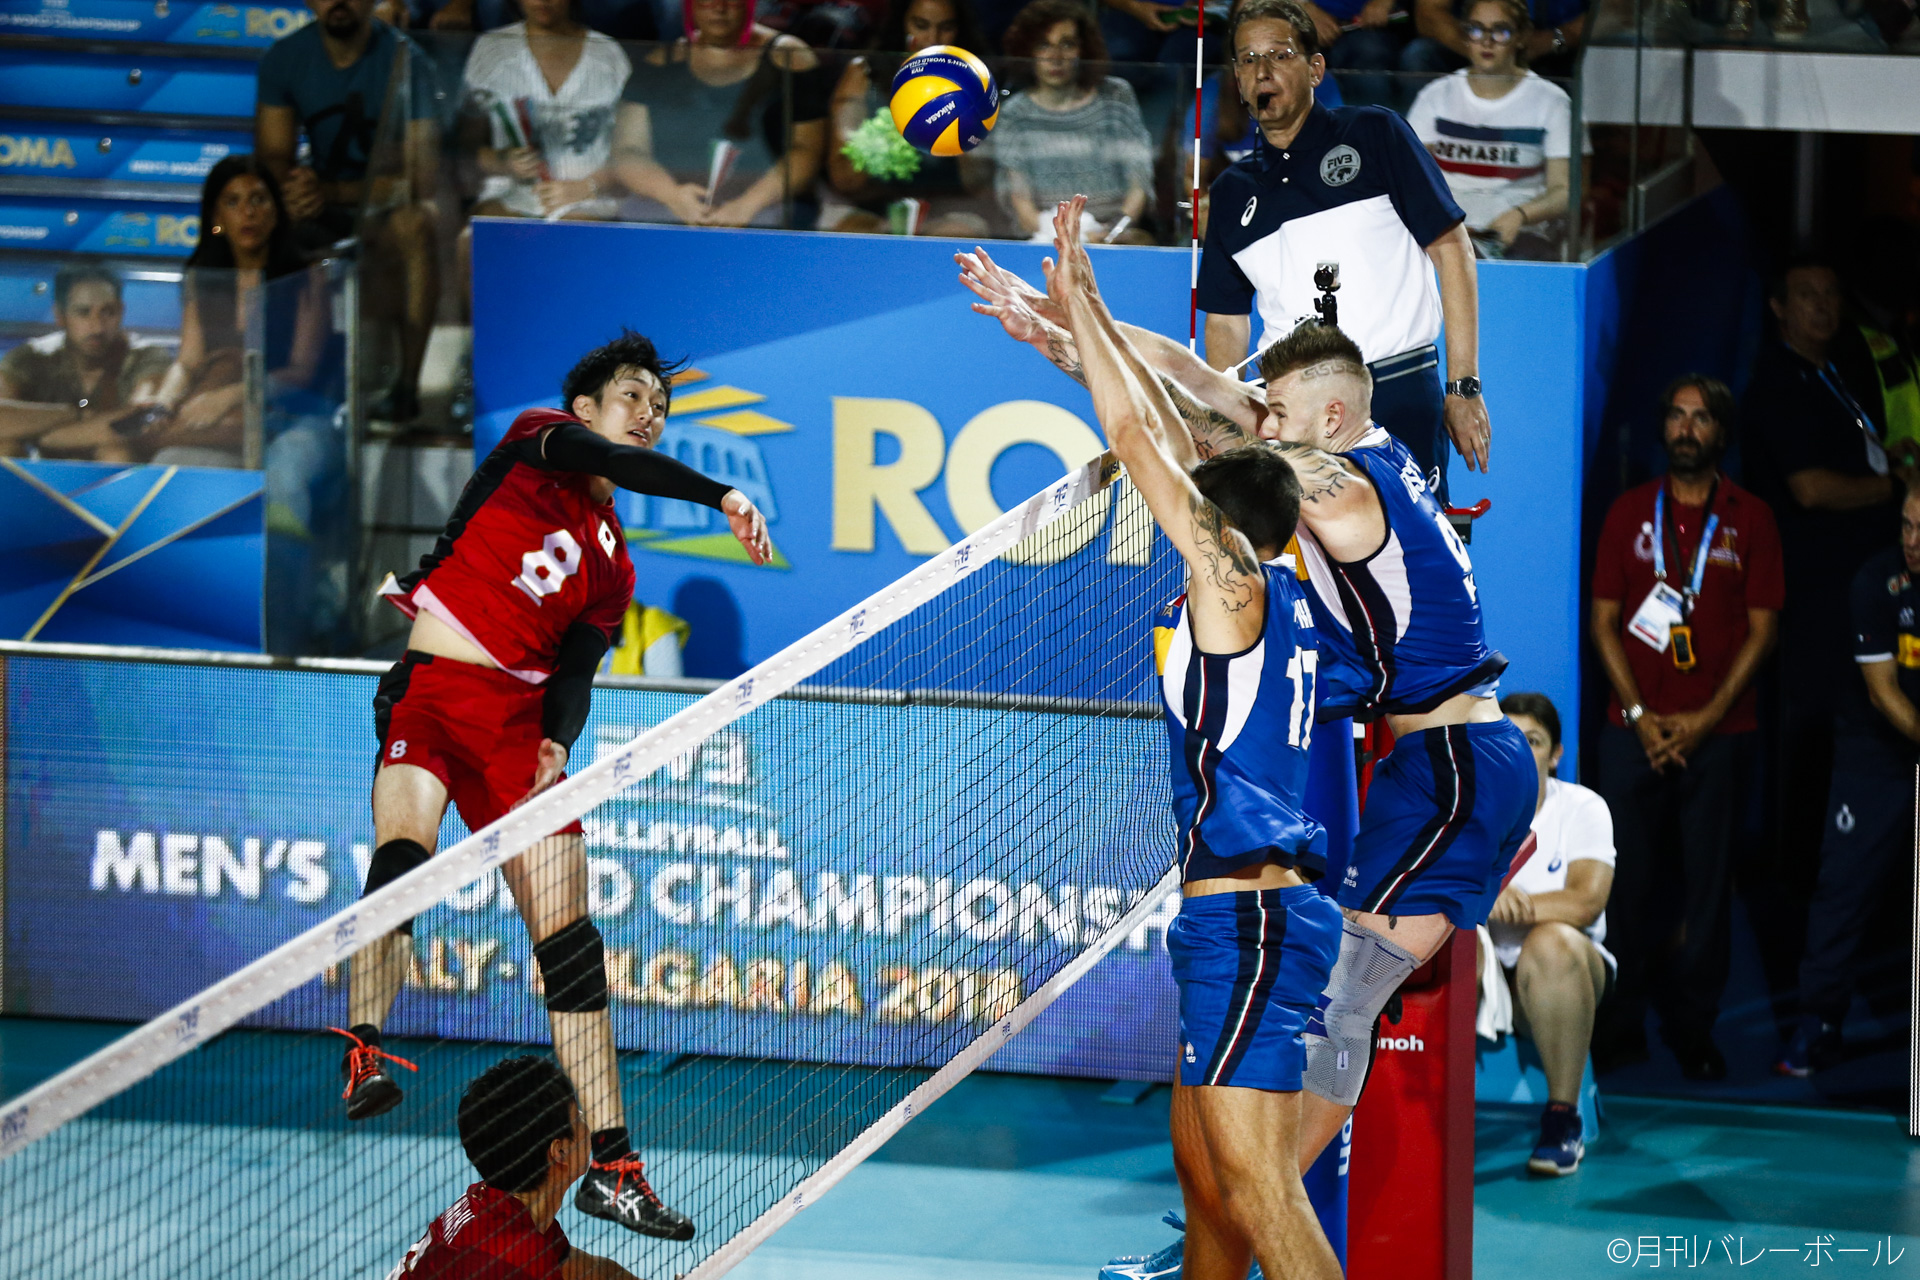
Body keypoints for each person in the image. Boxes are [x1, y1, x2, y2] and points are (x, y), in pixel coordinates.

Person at [960, 224, 1533, 1187]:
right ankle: (1249, 1213)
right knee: (1343, 1001)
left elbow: (1185, 437)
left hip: (1457, 768)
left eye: (1280, 413)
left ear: (1333, 415)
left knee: (1346, 1000)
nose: (1263, 424)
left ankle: (1250, 1212)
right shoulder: (1345, 449)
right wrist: (1065, 326)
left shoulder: (1343, 484)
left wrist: (1083, 325)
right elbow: (1197, 382)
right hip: (1436, 761)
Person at [333, 331, 771, 1241]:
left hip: (517, 733)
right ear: (585, 410)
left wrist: (557, 743)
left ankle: (613, 1167)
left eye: (660, 406)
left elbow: (576, 668)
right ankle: (364, 1050)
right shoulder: (537, 441)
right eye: (632, 396)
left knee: (570, 947)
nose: (648, 414)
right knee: (404, 858)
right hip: (435, 693)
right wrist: (724, 493)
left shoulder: (615, 566)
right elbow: (617, 463)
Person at [1046, 196, 1343, 1280]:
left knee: (1259, 1190)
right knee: (1211, 1182)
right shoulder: (1283, 580)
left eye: (1191, 510)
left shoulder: (1235, 582)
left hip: (1249, 917)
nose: (1174, 520)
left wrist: (1083, 294)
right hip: (1242, 913)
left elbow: (1139, 442)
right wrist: (1083, 321)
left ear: (1221, 523)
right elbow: (1171, 438)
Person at [1196, 0, 1489, 507]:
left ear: (1315, 69)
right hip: (1291, 408)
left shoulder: (1375, 134)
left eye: (1279, 55)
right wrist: (1232, 418)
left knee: (1413, 546)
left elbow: (1452, 250)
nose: (1262, 71)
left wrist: (1463, 386)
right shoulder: (1229, 193)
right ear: (1238, 80)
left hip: (1395, 385)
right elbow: (1225, 322)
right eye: (1247, 59)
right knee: (1300, 553)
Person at [1589, 375, 1782, 1080]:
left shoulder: (1750, 518)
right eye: (1676, 415)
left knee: (1706, 888)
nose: (1685, 428)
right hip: (1631, 730)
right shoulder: (1629, 512)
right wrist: (1642, 718)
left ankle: (1695, 1030)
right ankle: (1620, 1026)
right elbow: (1603, 622)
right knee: (1627, 883)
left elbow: (1763, 630)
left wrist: (1704, 720)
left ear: (1721, 434)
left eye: (1700, 418)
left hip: (1720, 734)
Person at [1741, 260, 1901, 984]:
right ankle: (1801, 892)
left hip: (1863, 591)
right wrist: (1894, 486)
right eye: (1806, 296)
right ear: (1778, 307)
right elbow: (1809, 489)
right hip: (1811, 602)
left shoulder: (1840, 370)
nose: (1822, 307)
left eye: (1832, 295)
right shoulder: (1777, 384)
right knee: (1812, 746)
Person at [1778, 486, 1920, 1077]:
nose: (1912, 541)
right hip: (1876, 752)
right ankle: (1819, 1024)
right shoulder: (1876, 580)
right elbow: (1884, 692)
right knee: (1843, 888)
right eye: (1906, 526)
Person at [255, 0, 441, 422]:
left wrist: (333, 191)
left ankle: (405, 388)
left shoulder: (410, 60)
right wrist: (295, 190)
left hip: (381, 208)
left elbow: (424, 175)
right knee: (259, 214)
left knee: (417, 222)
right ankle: (272, 383)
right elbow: (272, 157)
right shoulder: (285, 57)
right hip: (319, 210)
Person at [1484, 691, 1613, 1177]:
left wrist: (1505, 905)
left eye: (1534, 741)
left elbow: (1585, 901)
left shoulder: (1583, 807)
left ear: (1555, 754)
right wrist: (1486, 901)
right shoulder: (1466, 807)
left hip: (1566, 974)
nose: (1521, 751)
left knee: (1551, 941)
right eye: (1510, 739)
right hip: (1487, 973)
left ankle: (1563, 1119)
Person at [390, 1056, 639, 1278]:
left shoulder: (505, 1209)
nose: (588, 1122)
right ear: (560, 1151)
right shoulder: (513, 1261)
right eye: (578, 1117)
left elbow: (592, 1272)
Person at [610, 0, 831, 229]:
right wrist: (672, 196)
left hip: (770, 206)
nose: (719, 7)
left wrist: (747, 206)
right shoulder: (658, 62)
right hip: (670, 204)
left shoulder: (789, 56)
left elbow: (806, 149)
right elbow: (628, 149)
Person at [1404, 0, 1580, 261]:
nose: (1487, 42)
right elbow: (1411, 180)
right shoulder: (1435, 96)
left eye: (1500, 31)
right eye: (1476, 30)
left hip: (1519, 234)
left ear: (1521, 38)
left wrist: (1520, 216)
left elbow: (1564, 190)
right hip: (1447, 233)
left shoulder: (1552, 102)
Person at [819, 0, 997, 237]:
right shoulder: (864, 73)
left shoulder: (977, 81)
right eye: (921, 26)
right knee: (852, 232)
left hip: (948, 210)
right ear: (901, 25)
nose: (933, 39)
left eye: (946, 27)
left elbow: (978, 184)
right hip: (869, 208)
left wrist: (959, 116)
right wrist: (892, 131)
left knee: (963, 231)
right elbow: (844, 180)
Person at [992, 0, 1155, 244]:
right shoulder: (1014, 114)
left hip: (1117, 236)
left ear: (1084, 50)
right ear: (1027, 51)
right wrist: (1074, 238)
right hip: (1047, 237)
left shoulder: (1116, 96)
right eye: (1043, 45)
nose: (1056, 57)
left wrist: (1110, 234)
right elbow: (1021, 206)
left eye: (1067, 44)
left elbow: (1139, 184)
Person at [460, 0, 633, 224]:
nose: (543, 1)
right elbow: (464, 147)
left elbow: (631, 153)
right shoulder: (492, 48)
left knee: (572, 231)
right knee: (479, 232)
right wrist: (503, 161)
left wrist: (588, 187)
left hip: (591, 203)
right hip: (508, 199)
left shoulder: (608, 54)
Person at [0, 263, 172, 460]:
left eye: (108, 312)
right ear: (60, 316)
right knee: (5, 448)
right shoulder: (32, 357)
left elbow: (140, 417)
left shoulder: (145, 355)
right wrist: (74, 414)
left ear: (121, 311)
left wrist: (46, 436)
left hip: (116, 466)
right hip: (42, 471)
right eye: (83, 312)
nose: (97, 327)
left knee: (114, 451)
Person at [1402, 0, 1584, 84]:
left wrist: (1549, 41)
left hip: (1552, 47)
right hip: (1469, 44)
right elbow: (1428, 15)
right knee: (1420, 54)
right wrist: (1481, 48)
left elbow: (1601, 18)